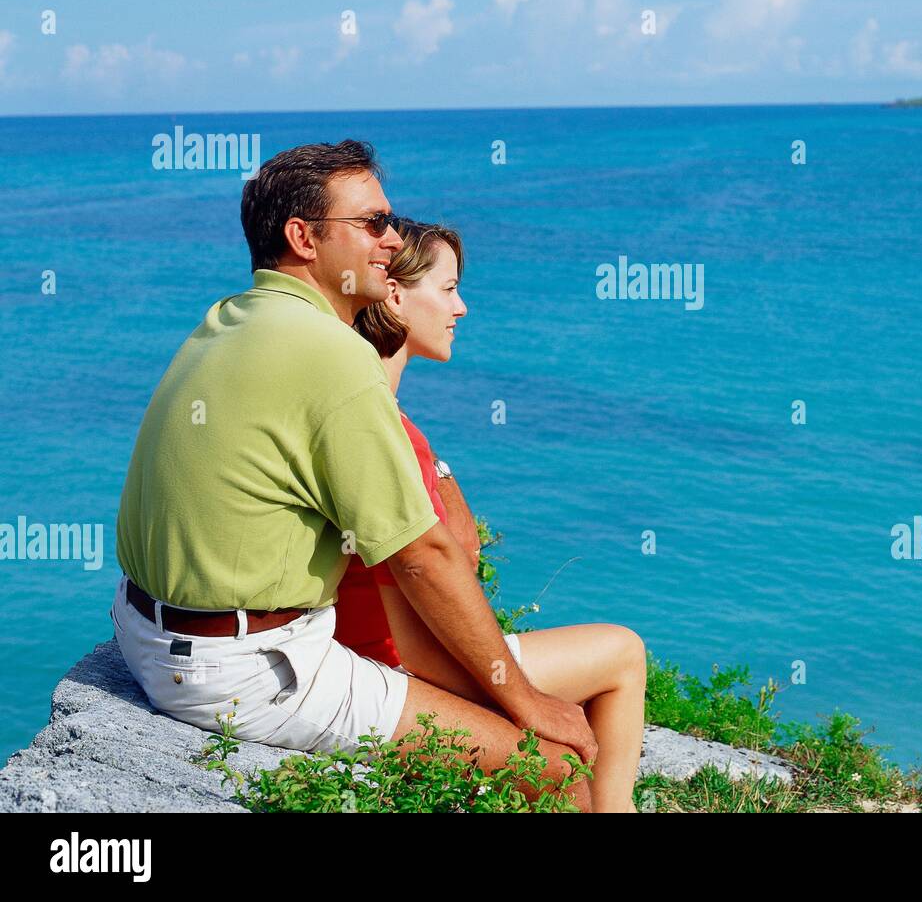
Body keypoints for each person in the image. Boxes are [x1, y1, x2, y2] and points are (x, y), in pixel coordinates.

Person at [110, 140, 602, 810]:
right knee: (556, 768)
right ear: (303, 238)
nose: (393, 238)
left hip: (145, 634)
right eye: (372, 223)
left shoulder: (228, 319)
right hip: (248, 669)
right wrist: (528, 700)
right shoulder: (332, 353)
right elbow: (423, 556)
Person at [335, 218, 646, 813]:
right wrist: (521, 701)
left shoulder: (382, 417)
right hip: (388, 665)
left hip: (371, 649)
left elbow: (460, 546)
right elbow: (423, 637)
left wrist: (441, 472)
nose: (463, 307)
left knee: (611, 658)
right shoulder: (389, 433)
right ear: (395, 296)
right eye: (448, 289)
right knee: (623, 653)